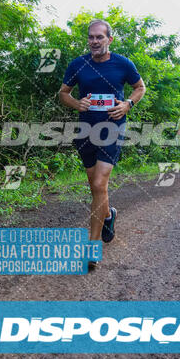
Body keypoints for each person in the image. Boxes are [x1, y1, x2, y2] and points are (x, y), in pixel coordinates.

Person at [59, 19, 145, 269]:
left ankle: (93, 248)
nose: (94, 41)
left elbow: (140, 87)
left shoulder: (123, 64)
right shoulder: (78, 64)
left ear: (110, 39)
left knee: (99, 183)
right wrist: (77, 104)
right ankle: (109, 215)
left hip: (112, 128)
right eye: (91, 37)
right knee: (95, 188)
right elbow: (63, 93)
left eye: (99, 37)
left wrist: (128, 103)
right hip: (86, 129)